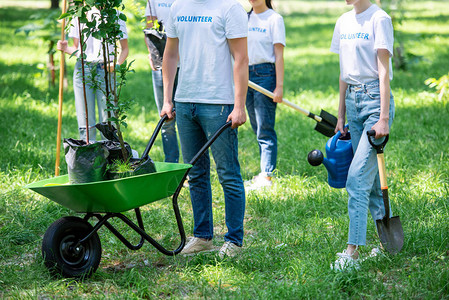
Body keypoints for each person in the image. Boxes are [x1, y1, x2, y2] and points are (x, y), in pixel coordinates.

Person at [161, 0, 249, 258]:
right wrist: (168, 99)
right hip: (185, 102)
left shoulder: (230, 8)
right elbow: (170, 54)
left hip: (219, 104)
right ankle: (202, 236)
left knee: (228, 174)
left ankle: (234, 240)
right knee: (195, 173)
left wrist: (239, 105)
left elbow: (241, 58)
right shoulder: (178, 6)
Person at [330, 0, 395, 270]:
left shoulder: (379, 19)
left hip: (374, 104)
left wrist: (383, 117)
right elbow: (344, 72)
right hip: (353, 104)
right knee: (367, 181)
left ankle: (352, 251)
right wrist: (341, 114)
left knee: (356, 179)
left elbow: (383, 72)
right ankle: (388, 244)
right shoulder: (343, 21)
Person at [57, 7, 129, 141]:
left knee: (108, 118)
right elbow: (77, 48)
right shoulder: (79, 15)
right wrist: (66, 48)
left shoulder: (116, 15)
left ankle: (109, 154)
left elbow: (125, 49)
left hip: (105, 68)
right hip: (83, 68)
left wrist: (116, 64)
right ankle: (89, 154)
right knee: (85, 117)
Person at [244, 0, 285, 191]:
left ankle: (267, 176)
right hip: (245, 76)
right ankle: (263, 172)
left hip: (265, 76)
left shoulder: (274, 19)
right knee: (256, 126)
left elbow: (279, 55)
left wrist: (279, 86)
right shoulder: (244, 18)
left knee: (265, 128)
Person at [144, 0, 179, 163]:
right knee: (167, 119)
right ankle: (172, 165)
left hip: (186, 64)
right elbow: (149, 29)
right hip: (161, 61)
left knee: (189, 120)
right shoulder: (154, 1)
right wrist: (151, 53)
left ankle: (191, 167)